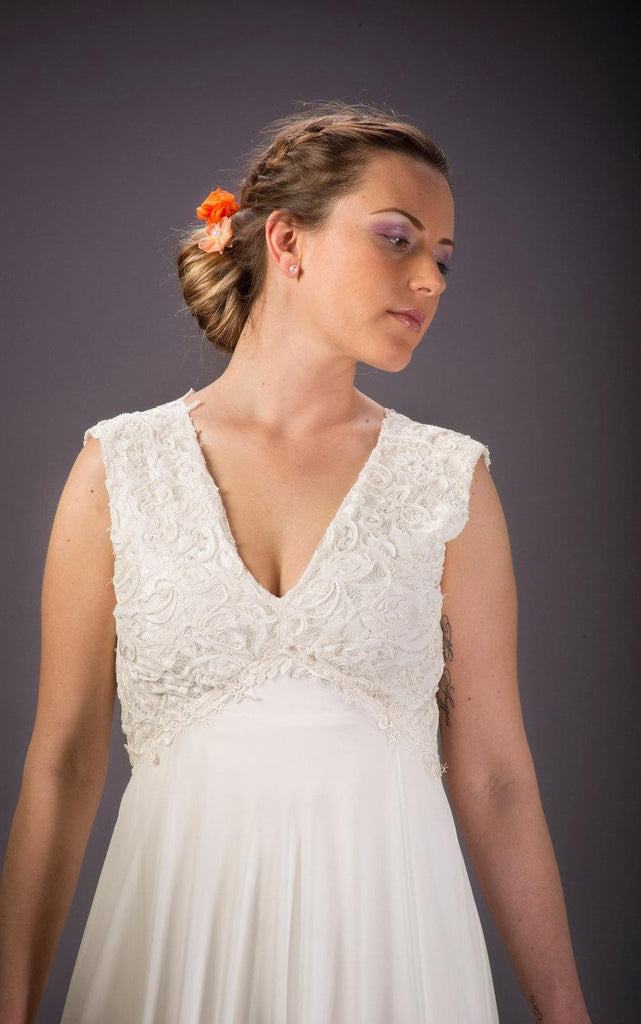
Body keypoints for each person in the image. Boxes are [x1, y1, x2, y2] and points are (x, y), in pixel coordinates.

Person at [0, 101, 592, 1024]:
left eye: (442, 258)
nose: (428, 280)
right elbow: (63, 765)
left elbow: (496, 779)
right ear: (286, 241)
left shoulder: (447, 481)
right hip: (172, 952)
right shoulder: (120, 468)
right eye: (396, 238)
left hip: (393, 955)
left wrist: (564, 1011)